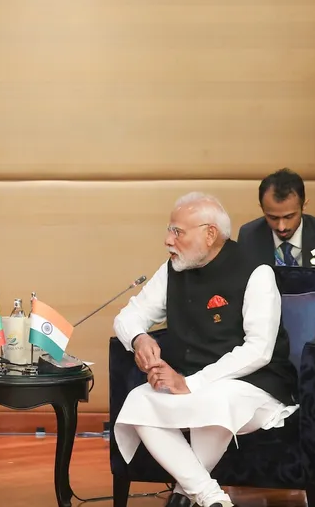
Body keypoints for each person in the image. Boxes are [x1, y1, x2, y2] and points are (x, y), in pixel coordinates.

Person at [112, 192, 299, 507]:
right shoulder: (173, 269)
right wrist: (139, 339)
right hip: (191, 384)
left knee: (217, 400)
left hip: (255, 386)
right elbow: (128, 316)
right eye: (170, 230)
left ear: (210, 234)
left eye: (177, 231)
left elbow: (259, 350)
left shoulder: (256, 271)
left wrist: (191, 383)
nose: (167, 240)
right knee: (138, 400)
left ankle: (184, 497)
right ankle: (211, 498)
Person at [237, 168, 315, 270]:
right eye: (273, 217)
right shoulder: (249, 237)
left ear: (304, 206)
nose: (281, 227)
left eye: (289, 217)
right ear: (262, 209)